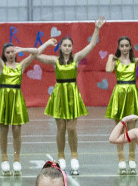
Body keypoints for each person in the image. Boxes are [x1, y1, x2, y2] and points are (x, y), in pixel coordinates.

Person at [36, 19, 105, 173]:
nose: (67, 47)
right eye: (64, 45)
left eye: (69, 45)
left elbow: (91, 45)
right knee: (61, 128)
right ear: (60, 47)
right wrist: (47, 43)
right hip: (59, 95)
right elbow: (37, 55)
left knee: (72, 128)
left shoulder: (76, 58)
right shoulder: (55, 60)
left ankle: (74, 156)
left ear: (72, 48)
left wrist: (96, 28)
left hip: (72, 94)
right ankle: (61, 157)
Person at [0, 26, 47, 175]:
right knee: (3, 131)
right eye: (8, 52)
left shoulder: (21, 65)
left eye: (12, 52)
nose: (11, 54)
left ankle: (17, 158)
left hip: (17, 99)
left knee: (17, 131)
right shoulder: (1, 66)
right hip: (4, 99)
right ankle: (4, 158)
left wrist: (23, 48)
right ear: (4, 54)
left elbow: (36, 52)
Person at [102, 33, 138, 173]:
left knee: (131, 130)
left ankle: (132, 159)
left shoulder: (134, 61)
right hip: (119, 94)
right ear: (119, 47)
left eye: (126, 45)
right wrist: (110, 57)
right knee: (119, 128)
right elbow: (108, 69)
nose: (124, 48)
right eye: (122, 46)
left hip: (132, 93)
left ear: (130, 47)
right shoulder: (115, 61)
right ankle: (121, 161)